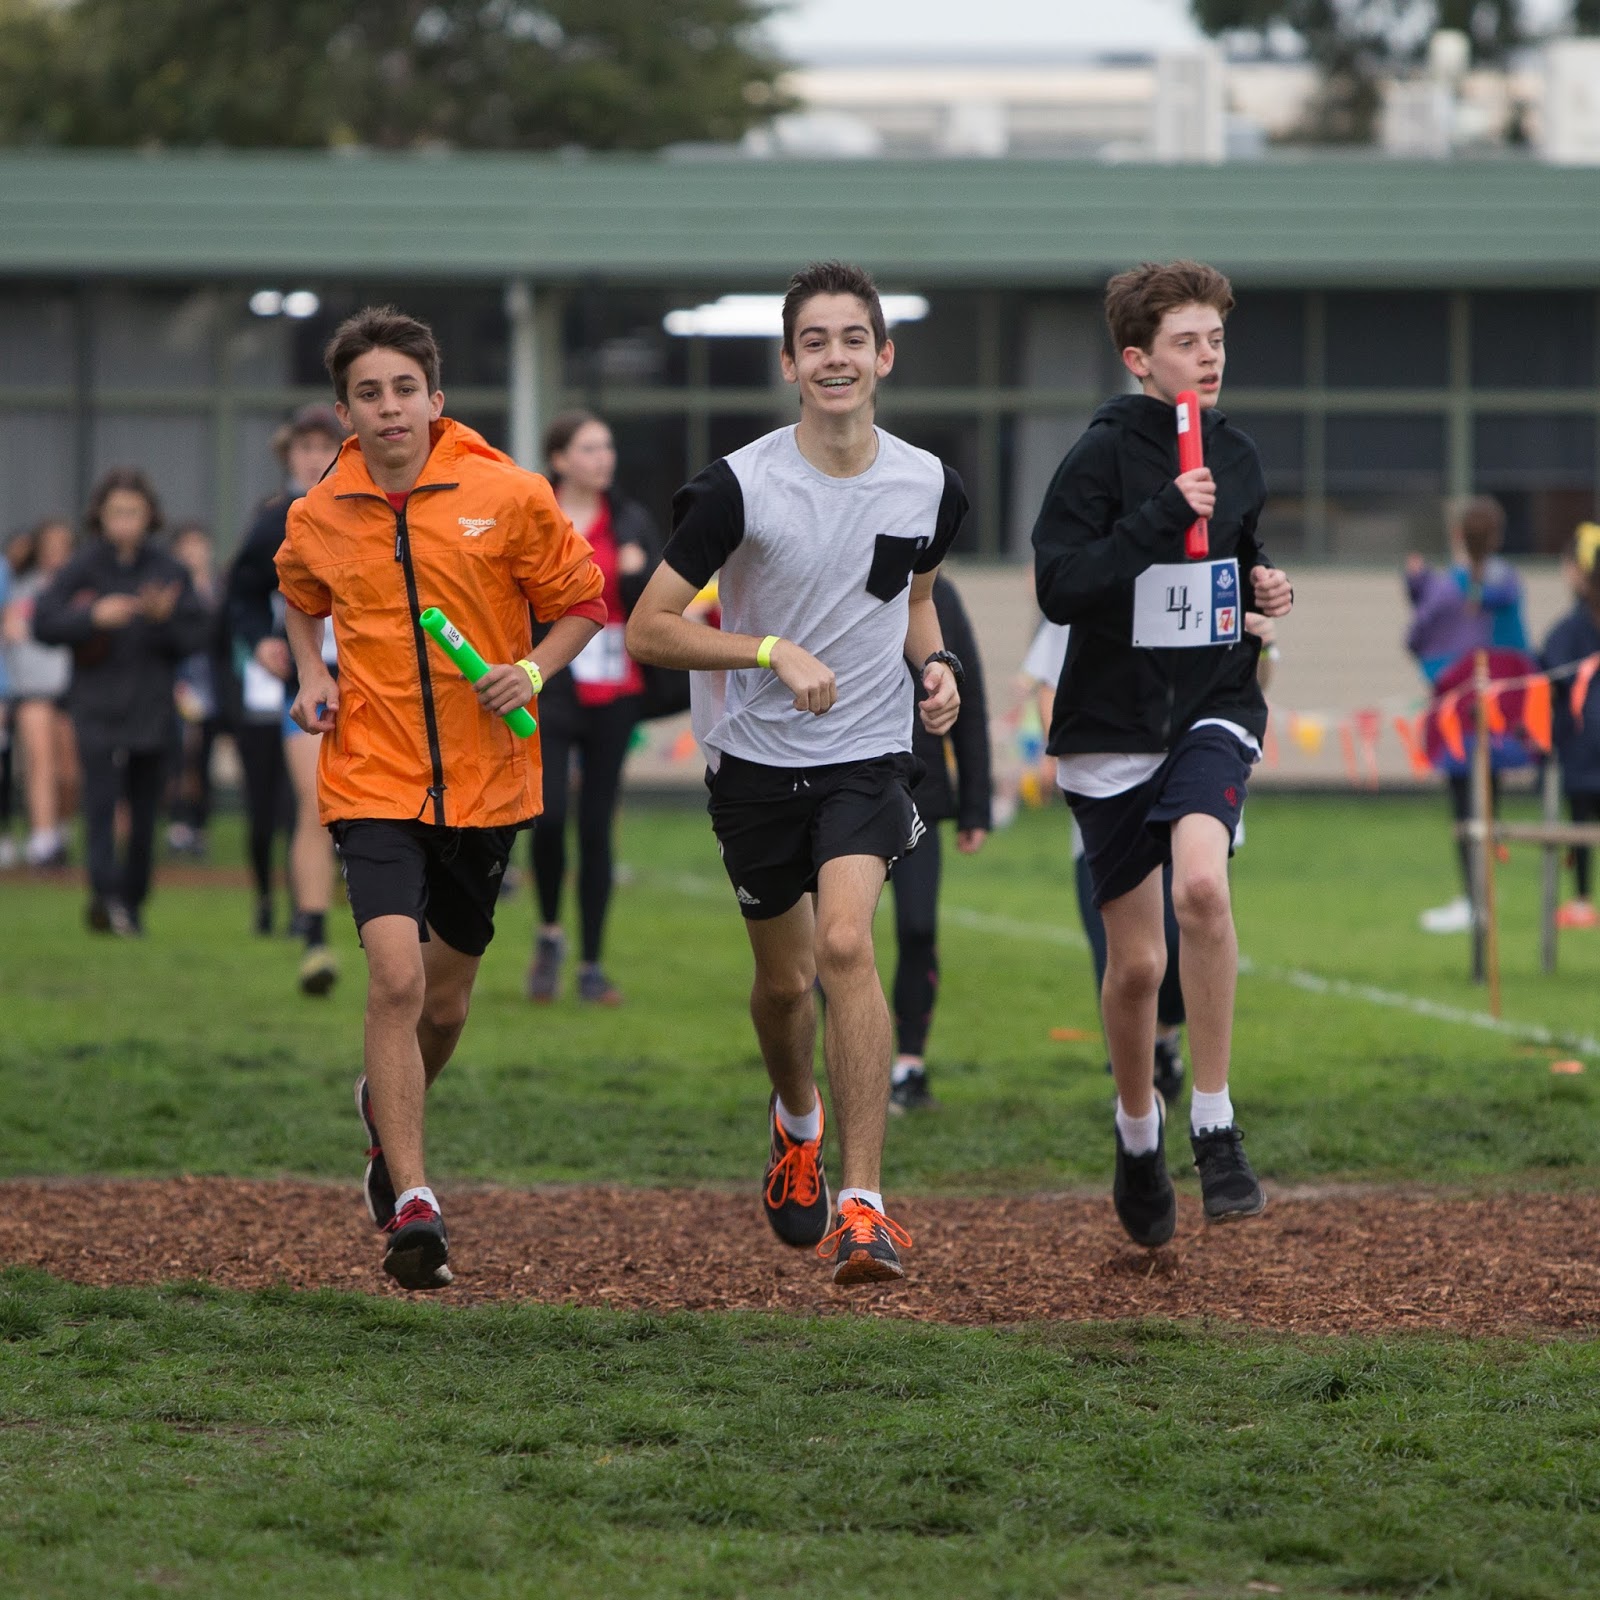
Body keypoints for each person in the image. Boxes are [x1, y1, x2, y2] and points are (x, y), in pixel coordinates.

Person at [626, 260, 966, 1286]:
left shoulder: (930, 484)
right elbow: (648, 628)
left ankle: (862, 1209)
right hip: (757, 765)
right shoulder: (739, 486)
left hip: (868, 755)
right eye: (814, 341)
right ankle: (796, 1120)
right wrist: (768, 650)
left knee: (845, 943)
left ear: (883, 356)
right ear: (788, 362)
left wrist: (937, 666)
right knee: (783, 987)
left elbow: (911, 605)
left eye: (851, 339)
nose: (834, 357)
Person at [275, 305, 604, 1291]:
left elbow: (584, 601)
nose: (388, 409)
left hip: (488, 781)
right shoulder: (318, 512)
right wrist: (310, 673)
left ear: (435, 397)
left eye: (403, 389)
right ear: (345, 409)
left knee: (447, 998)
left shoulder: (508, 492)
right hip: (370, 775)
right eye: (368, 394)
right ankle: (414, 1195)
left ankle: (385, 1116)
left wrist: (534, 672)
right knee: (395, 976)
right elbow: (297, 594)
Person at [1031, 258, 1294, 1250]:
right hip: (1107, 726)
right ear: (1140, 359)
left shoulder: (1239, 453)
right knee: (1136, 964)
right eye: (1188, 341)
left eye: (1217, 338)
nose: (1209, 355)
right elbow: (1062, 584)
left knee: (1201, 890)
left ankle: (1215, 1124)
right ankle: (1136, 1133)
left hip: (1213, 707)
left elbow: (1239, 553)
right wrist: (1158, 516)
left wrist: (1263, 583)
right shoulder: (1097, 459)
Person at [524, 409, 662, 1007]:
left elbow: (659, 596)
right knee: (550, 817)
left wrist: (634, 577)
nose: (602, 458)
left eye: (607, 446)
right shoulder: (536, 515)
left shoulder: (631, 520)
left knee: (596, 827)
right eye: (588, 448)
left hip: (614, 690)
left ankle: (592, 964)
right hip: (550, 680)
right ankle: (550, 931)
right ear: (559, 460)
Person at [33, 470, 207, 935]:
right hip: (95, 705)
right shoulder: (83, 565)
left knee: (146, 810)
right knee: (100, 803)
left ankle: (132, 900)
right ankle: (103, 895)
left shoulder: (169, 569)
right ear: (100, 517)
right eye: (116, 512)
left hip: (151, 709)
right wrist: (93, 615)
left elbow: (197, 634)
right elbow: (43, 622)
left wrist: (163, 619)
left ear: (149, 515)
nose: (125, 521)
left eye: (134, 511)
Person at [226, 404, 347, 987]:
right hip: (307, 678)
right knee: (316, 799)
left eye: (325, 445)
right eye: (303, 447)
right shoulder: (274, 518)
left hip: (379, 677)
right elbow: (242, 594)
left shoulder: (372, 506)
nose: (313, 456)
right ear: (288, 454)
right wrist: (261, 644)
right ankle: (315, 933)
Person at [888, 570, 990, 1112]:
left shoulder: (939, 595)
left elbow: (968, 704)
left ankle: (909, 1063)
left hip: (917, 789)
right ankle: (845, 1055)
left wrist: (974, 803)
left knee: (918, 925)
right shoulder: (842, 572)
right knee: (836, 939)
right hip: (841, 782)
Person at [1404, 497, 1530, 934]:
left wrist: (1417, 587)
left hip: (1459, 718)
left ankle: (1476, 902)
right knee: (1488, 807)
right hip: (1499, 720)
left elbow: (1420, 635)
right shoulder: (1510, 582)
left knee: (1465, 811)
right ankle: (1482, 899)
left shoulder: (1446, 586)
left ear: (1458, 536)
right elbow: (1518, 650)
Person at [2, 519, 79, 869]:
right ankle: (42, 839)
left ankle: (60, 829)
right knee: (40, 761)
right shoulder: (21, 590)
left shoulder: (81, 591)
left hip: (73, 690)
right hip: (32, 688)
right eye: (49, 547)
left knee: (69, 772)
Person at [1542, 523, 1600, 931]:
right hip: (1582, 746)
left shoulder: (1570, 630)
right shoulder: (1571, 627)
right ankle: (1581, 900)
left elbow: (1551, 672)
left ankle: (1581, 900)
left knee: (1580, 822)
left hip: (1582, 746)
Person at [164, 521, 222, 860]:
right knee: (180, 755)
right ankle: (179, 822)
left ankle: (198, 823)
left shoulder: (218, 588)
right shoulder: (171, 590)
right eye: (187, 546)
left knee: (202, 757)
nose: (194, 553)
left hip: (211, 687)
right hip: (181, 684)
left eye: (199, 545)